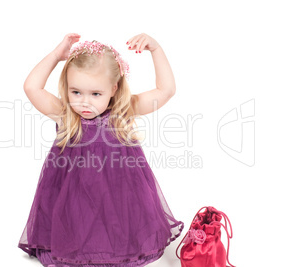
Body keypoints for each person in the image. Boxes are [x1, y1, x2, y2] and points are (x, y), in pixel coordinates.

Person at [18, 33, 184, 267]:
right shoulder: (65, 114)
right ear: (67, 87)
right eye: (76, 92)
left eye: (96, 94)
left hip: (118, 193)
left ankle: (115, 246)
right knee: (80, 221)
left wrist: (156, 49)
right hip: (74, 197)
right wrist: (57, 55)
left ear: (114, 88)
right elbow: (31, 87)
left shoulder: (123, 111)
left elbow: (165, 91)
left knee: (114, 221)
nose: (84, 102)